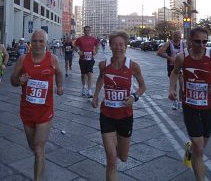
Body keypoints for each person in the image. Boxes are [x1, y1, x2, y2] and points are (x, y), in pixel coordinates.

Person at [168, 27, 211, 181]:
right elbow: (175, 72)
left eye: (205, 42)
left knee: (201, 145)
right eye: (197, 42)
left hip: (209, 107)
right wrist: (172, 88)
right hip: (190, 106)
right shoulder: (182, 57)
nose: (202, 45)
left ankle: (190, 148)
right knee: (200, 149)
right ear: (190, 41)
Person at [91, 30, 146, 181]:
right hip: (107, 115)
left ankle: (117, 146)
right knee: (111, 159)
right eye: (114, 44)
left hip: (125, 116)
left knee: (123, 157)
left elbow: (142, 87)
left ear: (126, 46)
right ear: (110, 46)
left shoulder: (133, 66)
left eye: (121, 44)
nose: (118, 48)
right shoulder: (104, 64)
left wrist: (134, 97)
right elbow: (101, 79)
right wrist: (95, 96)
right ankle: (111, 150)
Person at [10, 29, 64, 181]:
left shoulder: (52, 59)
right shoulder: (22, 59)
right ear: (30, 42)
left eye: (41, 41)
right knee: (33, 147)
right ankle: (41, 161)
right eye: (35, 41)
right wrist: (19, 81)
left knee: (39, 148)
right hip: (27, 111)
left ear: (46, 43)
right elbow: (13, 80)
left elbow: (59, 73)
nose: (38, 44)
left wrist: (59, 86)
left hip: (45, 111)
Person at [157, 30, 187, 110]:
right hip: (172, 67)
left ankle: (180, 101)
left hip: (181, 66)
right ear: (172, 36)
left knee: (182, 84)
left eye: (178, 35)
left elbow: (187, 54)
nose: (177, 37)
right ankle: (174, 101)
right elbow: (159, 52)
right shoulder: (168, 43)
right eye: (175, 35)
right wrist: (169, 58)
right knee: (174, 85)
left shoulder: (183, 44)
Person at [74, 25, 99, 97]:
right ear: (84, 31)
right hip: (82, 59)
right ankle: (84, 86)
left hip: (90, 59)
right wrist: (78, 51)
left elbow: (97, 45)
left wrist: (95, 51)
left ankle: (89, 90)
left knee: (90, 73)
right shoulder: (80, 39)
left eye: (88, 30)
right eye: (86, 30)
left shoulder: (93, 39)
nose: (87, 31)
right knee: (83, 74)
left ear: (90, 31)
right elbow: (75, 45)